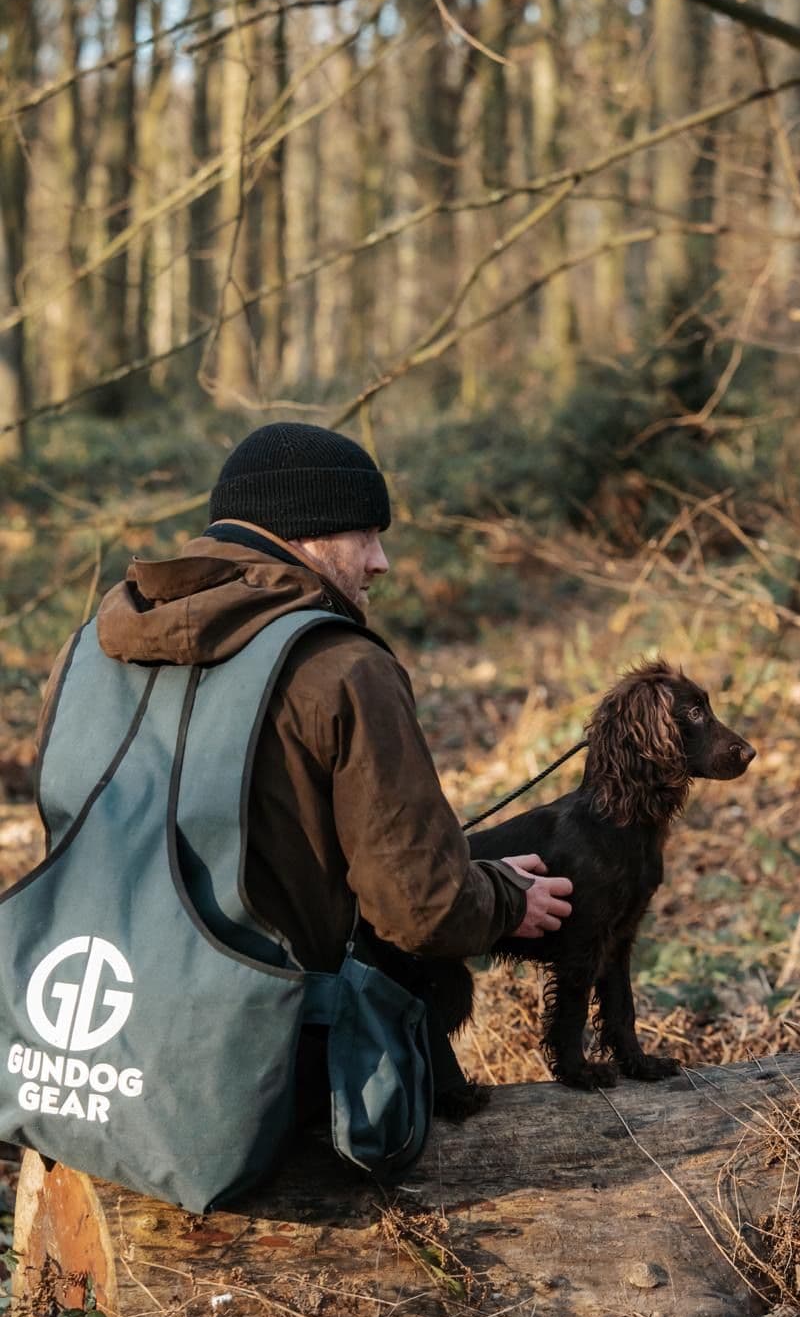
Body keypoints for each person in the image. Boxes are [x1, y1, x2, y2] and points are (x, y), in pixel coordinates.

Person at [43, 421, 573, 1115]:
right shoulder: (344, 668)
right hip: (262, 1074)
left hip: (83, 1050)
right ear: (307, 535)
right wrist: (505, 895)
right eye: (365, 536)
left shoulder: (84, 653)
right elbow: (422, 908)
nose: (379, 562)